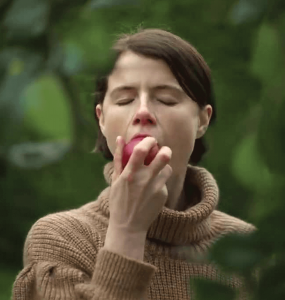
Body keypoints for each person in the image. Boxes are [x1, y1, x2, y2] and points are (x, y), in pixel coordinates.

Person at [12, 28, 256, 300]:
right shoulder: (62, 239)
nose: (142, 112)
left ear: (202, 120)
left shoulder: (247, 248)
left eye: (166, 99)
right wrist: (127, 231)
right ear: (101, 119)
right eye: (125, 99)